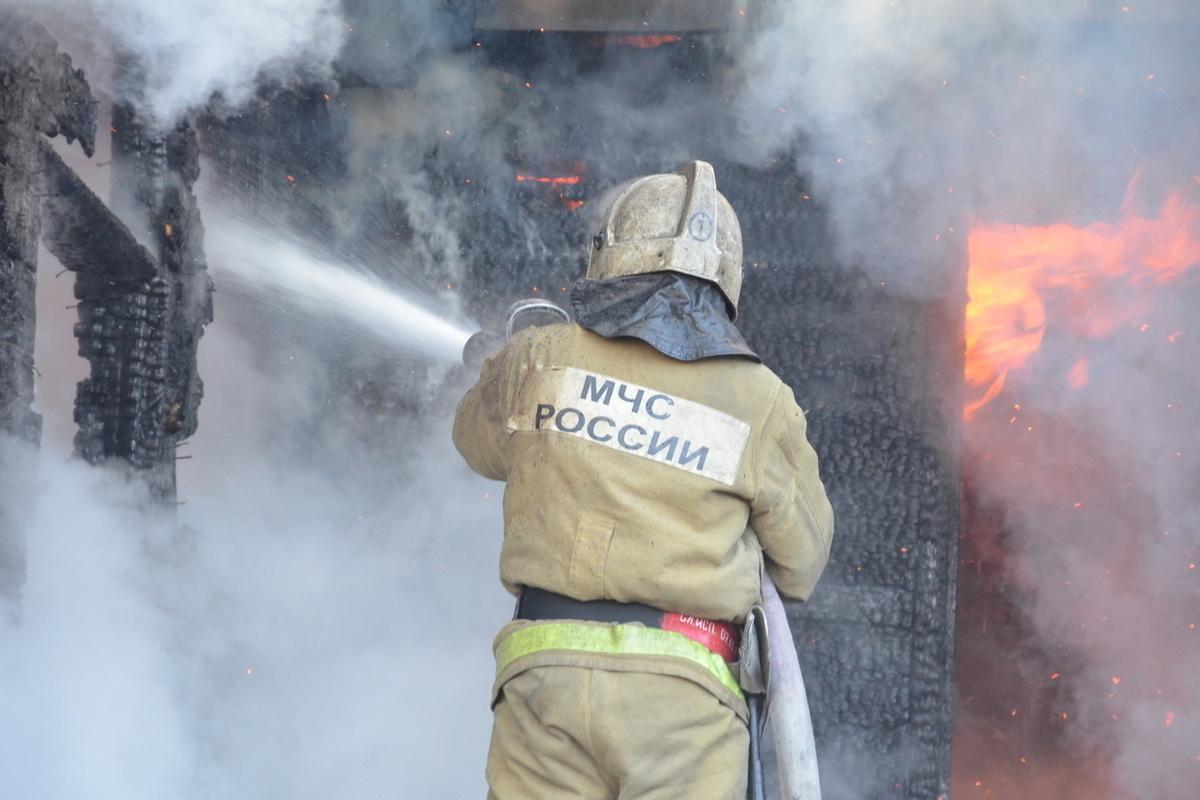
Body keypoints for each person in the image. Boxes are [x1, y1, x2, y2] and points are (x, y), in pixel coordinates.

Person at [453, 160, 834, 800]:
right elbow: (801, 563)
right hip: (683, 703)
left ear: (611, 257)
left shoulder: (540, 356)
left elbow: (477, 443)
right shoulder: (761, 401)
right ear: (726, 281)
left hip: (545, 680)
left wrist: (511, 369)